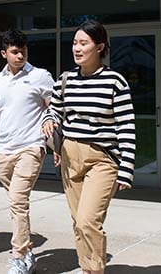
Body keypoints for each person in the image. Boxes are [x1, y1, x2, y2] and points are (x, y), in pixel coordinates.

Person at [41, 20, 136, 274]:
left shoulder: (115, 81)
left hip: (102, 159)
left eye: (83, 43)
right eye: (74, 43)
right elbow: (54, 111)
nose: (77, 48)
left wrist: (126, 168)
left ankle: (96, 269)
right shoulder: (65, 79)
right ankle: (87, 269)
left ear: (100, 46)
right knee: (77, 223)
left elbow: (126, 126)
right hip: (71, 157)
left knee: (88, 220)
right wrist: (49, 121)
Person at [0, 29, 55, 274]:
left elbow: (54, 110)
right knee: (16, 203)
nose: (20, 56)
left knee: (18, 201)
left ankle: (18, 256)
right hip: (3, 150)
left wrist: (56, 144)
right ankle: (28, 252)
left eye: (23, 52)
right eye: (15, 52)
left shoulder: (40, 76)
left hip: (31, 146)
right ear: (4, 53)